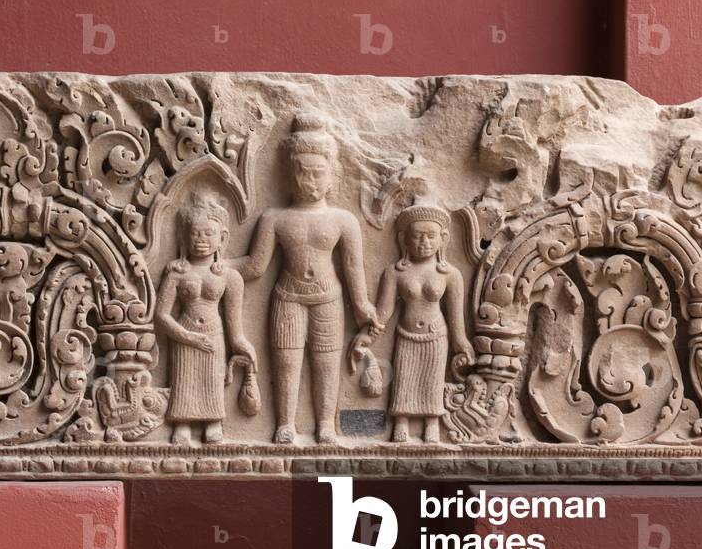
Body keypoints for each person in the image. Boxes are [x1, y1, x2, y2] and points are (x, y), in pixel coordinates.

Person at [233, 112, 379, 444]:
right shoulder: (275, 218)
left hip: (328, 298)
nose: (310, 181)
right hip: (288, 297)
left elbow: (353, 267)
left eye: (318, 173)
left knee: (326, 363)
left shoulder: (343, 220)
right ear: (289, 174)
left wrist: (362, 305)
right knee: (286, 362)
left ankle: (325, 423)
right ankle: (285, 423)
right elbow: (255, 266)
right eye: (302, 172)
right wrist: (219, 265)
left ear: (332, 177)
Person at [360, 201, 474, 443]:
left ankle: (431, 423)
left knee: (432, 383)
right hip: (406, 335)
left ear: (443, 239)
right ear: (404, 239)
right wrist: (366, 336)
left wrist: (462, 343)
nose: (424, 242)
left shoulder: (451, 275)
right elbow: (383, 313)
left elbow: (456, 319)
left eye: (431, 236)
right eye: (418, 236)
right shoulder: (395, 272)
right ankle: (400, 422)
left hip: (436, 336)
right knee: (404, 381)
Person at [156, 192, 255, 444]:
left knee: (212, 379)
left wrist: (243, 346)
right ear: (184, 237)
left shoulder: (229, 277)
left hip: (213, 336)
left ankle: (213, 422)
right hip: (184, 334)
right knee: (184, 380)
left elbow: (234, 326)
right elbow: (162, 315)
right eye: (195, 233)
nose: (201, 240)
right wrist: (188, 337)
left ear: (222, 238)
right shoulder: (177, 274)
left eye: (209, 233)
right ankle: (182, 423)